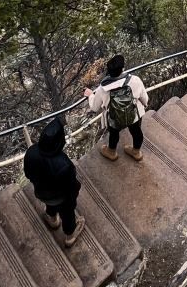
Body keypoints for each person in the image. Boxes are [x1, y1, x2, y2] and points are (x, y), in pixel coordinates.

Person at [22, 117, 84, 247]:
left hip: (41, 193)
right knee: (68, 215)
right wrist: (73, 197)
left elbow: (28, 174)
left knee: (51, 204)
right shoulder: (63, 164)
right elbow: (72, 186)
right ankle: (70, 236)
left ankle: (52, 218)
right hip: (61, 197)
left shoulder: (31, 152)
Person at [85, 55, 149, 162]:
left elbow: (95, 108)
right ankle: (136, 152)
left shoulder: (102, 89)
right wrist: (144, 105)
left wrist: (90, 95)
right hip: (133, 114)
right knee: (137, 132)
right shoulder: (135, 80)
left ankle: (111, 152)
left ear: (109, 72)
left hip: (114, 118)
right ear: (122, 69)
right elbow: (145, 99)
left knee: (114, 134)